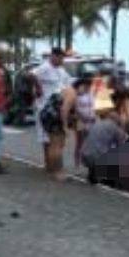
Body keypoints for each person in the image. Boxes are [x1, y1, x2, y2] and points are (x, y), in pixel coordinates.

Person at [31, 48, 73, 179]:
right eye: (60, 58)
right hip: (45, 108)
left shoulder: (61, 71)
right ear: (53, 56)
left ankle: (50, 166)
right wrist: (38, 88)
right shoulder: (44, 67)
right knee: (48, 140)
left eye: (63, 58)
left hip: (57, 107)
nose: (62, 60)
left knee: (52, 141)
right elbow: (31, 74)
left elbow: (68, 84)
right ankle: (51, 167)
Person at [72, 74, 97, 169]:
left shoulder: (91, 94)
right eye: (86, 84)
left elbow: (93, 107)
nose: (88, 86)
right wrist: (83, 117)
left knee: (90, 143)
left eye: (89, 84)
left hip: (91, 120)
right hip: (80, 121)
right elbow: (75, 108)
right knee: (79, 143)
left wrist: (94, 117)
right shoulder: (77, 94)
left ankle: (88, 163)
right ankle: (77, 164)